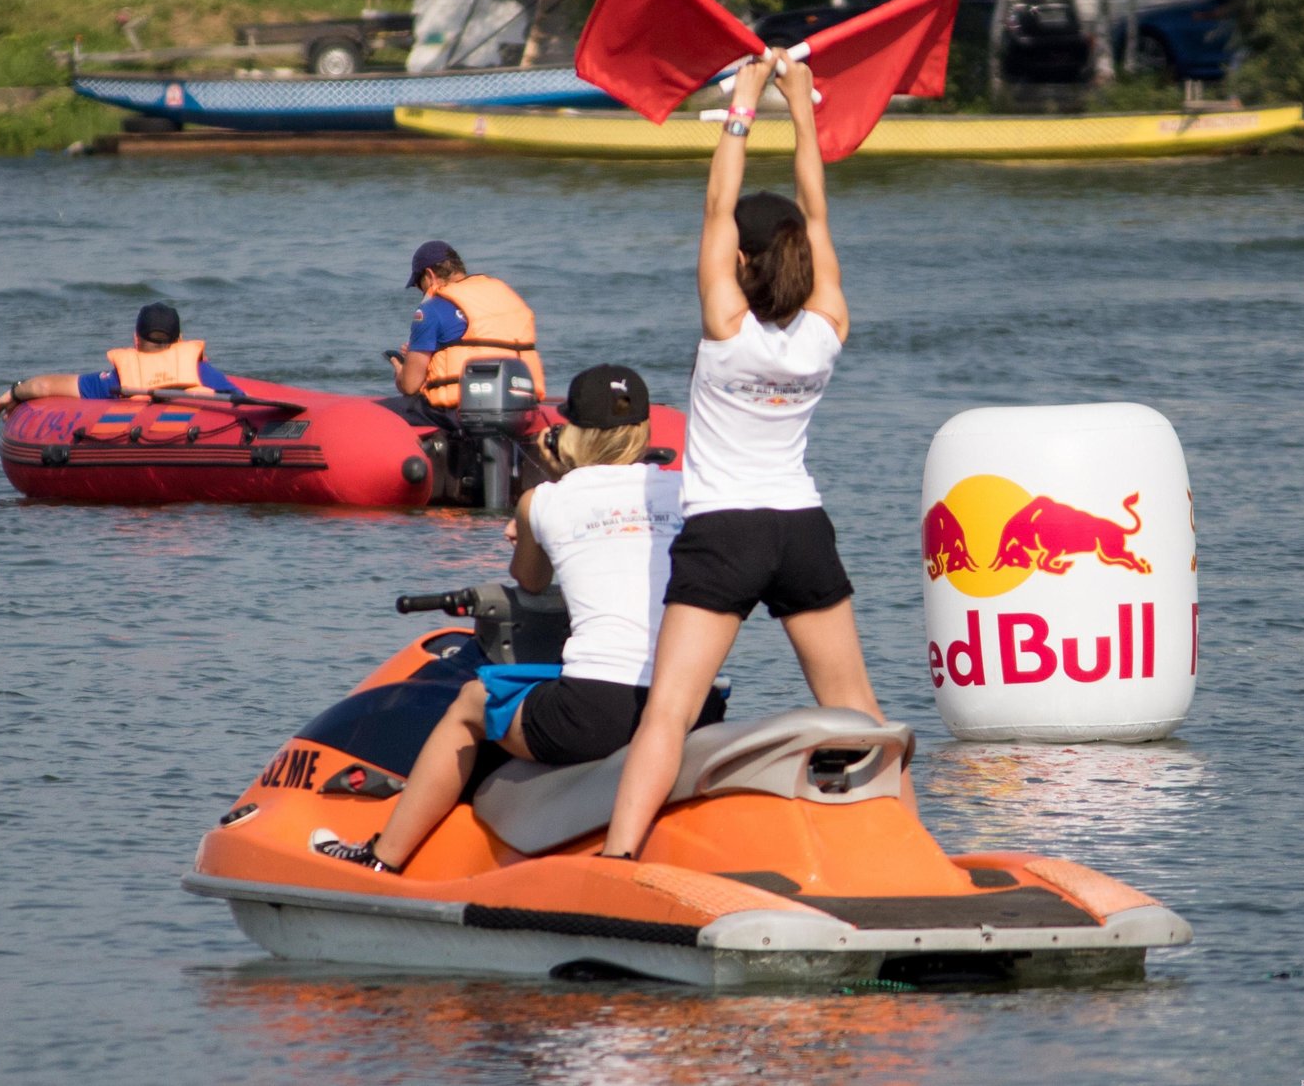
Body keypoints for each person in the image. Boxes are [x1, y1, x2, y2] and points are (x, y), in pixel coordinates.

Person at [599, 55, 911, 863]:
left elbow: (714, 204)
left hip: (726, 532)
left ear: (739, 261)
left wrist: (740, 106)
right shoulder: (828, 324)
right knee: (859, 710)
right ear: (803, 260)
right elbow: (816, 207)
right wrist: (802, 108)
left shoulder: (725, 324)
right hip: (802, 530)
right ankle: (912, 848)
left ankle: (619, 859)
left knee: (668, 712)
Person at [314, 364, 717, 874]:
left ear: (572, 431)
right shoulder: (688, 493)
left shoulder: (544, 500)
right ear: (641, 430)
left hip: (595, 711)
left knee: (470, 703)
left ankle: (383, 856)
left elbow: (529, 580)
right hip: (695, 703)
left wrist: (547, 492)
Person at [0, 302, 239, 426]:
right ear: (181, 342)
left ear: (135, 340)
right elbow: (245, 405)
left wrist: (14, 391)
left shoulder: (118, 380)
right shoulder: (201, 372)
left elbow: (44, 387)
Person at [388, 241, 547, 421]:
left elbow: (410, 385)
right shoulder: (506, 296)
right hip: (521, 407)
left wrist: (401, 372)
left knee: (382, 413)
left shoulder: (431, 310)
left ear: (429, 275)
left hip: (460, 411)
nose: (422, 292)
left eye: (419, 284)